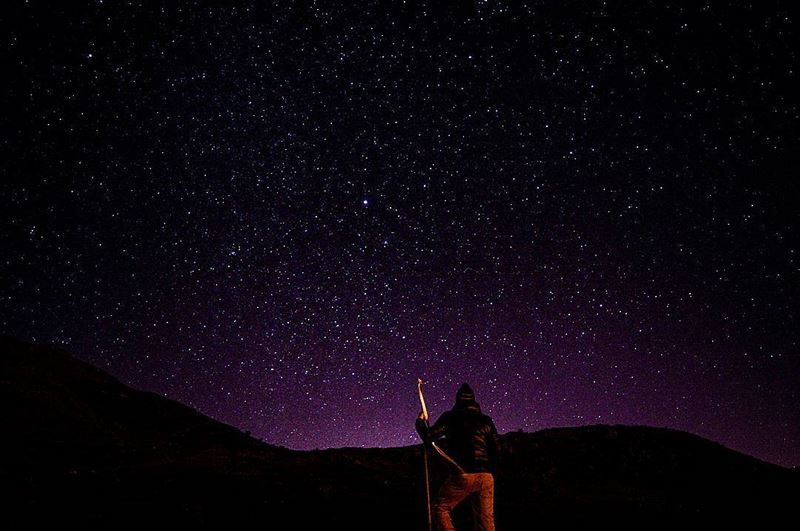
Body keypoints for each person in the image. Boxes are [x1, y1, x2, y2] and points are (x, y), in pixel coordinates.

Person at [416, 383, 502, 531]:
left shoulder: (451, 417)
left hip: (463, 472)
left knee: (441, 507)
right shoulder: (486, 420)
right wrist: (489, 468)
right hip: (486, 476)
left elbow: (428, 437)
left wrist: (419, 422)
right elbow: (497, 448)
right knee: (485, 519)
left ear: (457, 401)